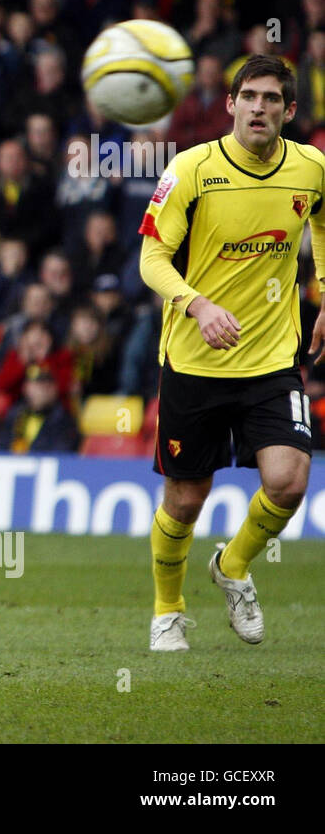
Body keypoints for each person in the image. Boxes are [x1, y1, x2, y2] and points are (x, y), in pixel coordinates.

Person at [139, 54, 325, 653]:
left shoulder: (311, 168)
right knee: (186, 499)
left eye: (273, 99)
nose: (260, 108)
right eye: (249, 96)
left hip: (272, 359)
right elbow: (150, 260)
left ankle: (235, 566)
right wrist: (198, 305)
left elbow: (323, 226)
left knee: (289, 480)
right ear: (231, 104)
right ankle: (168, 610)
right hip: (194, 361)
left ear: (289, 111)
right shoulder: (191, 169)